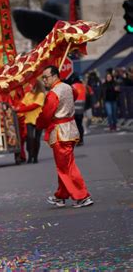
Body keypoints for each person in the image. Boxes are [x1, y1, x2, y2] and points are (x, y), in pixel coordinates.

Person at [36, 66, 93, 208]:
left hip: (60, 132)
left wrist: (39, 123)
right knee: (65, 165)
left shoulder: (53, 93)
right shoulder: (68, 87)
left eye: (46, 77)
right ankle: (60, 196)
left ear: (55, 76)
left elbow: (46, 114)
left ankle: (82, 196)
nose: (44, 80)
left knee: (65, 167)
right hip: (70, 130)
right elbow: (73, 96)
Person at [15, 79, 46, 163]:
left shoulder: (41, 95)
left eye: (32, 86)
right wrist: (18, 107)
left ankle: (35, 157)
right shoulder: (28, 95)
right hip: (29, 119)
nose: (30, 87)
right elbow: (22, 103)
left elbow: (34, 106)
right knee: (29, 138)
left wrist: (19, 110)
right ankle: (30, 156)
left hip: (39, 119)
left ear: (37, 86)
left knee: (37, 139)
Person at [71, 75, 86, 145]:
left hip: (74, 109)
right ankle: (82, 139)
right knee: (80, 125)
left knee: (75, 126)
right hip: (81, 109)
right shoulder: (83, 86)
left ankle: (78, 140)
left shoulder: (73, 86)